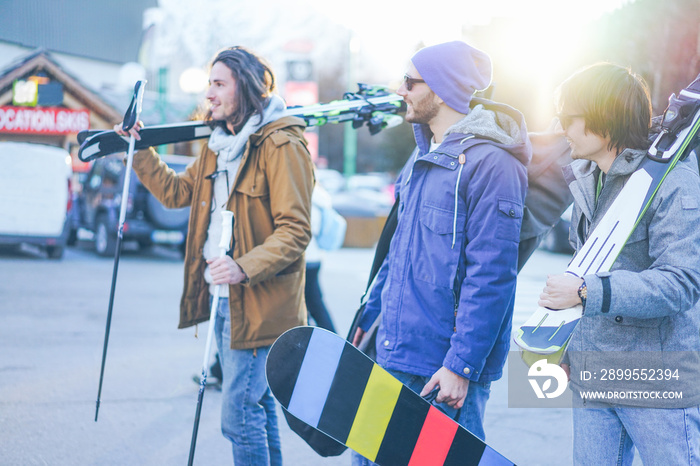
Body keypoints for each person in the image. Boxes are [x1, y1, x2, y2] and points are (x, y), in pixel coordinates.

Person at [117, 46, 314, 465]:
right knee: (255, 410)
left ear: (246, 87)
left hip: (263, 305)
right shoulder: (216, 143)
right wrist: (142, 150)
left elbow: (295, 231)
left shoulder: (282, 144)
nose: (209, 93)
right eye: (209, 83)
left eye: (219, 83)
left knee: (239, 416)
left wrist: (244, 267)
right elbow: (175, 193)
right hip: (226, 299)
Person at [351, 40, 531, 460]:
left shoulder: (493, 165)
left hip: (441, 371)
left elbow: (492, 276)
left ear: (443, 89)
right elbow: (399, 251)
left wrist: (460, 365)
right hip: (392, 350)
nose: (400, 90)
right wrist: (371, 312)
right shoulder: (422, 156)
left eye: (410, 81)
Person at [538, 63, 700, 464]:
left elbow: (680, 283)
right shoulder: (587, 180)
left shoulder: (673, 183)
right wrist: (570, 350)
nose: (562, 128)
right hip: (595, 375)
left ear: (602, 119)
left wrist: (585, 291)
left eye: (567, 117)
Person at [304, 182, 337, 332]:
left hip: (306, 258)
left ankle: (333, 341)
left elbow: (309, 228)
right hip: (314, 256)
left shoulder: (308, 197)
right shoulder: (319, 196)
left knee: (314, 304)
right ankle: (332, 339)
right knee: (314, 303)